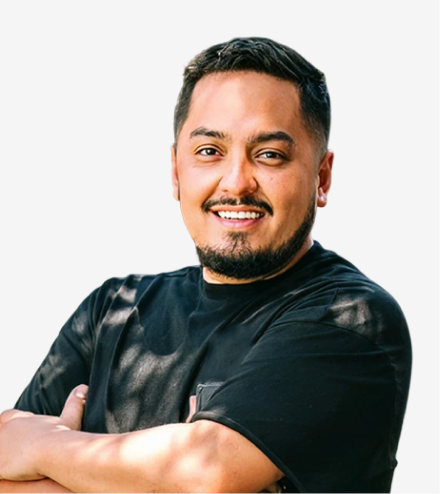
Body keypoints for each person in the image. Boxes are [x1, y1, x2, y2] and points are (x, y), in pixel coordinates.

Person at [0, 37, 411, 494]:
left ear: (322, 177)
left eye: (270, 155)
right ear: (176, 171)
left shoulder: (351, 319)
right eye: (210, 151)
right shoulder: (110, 312)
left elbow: (207, 470)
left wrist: (41, 448)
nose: (236, 183)